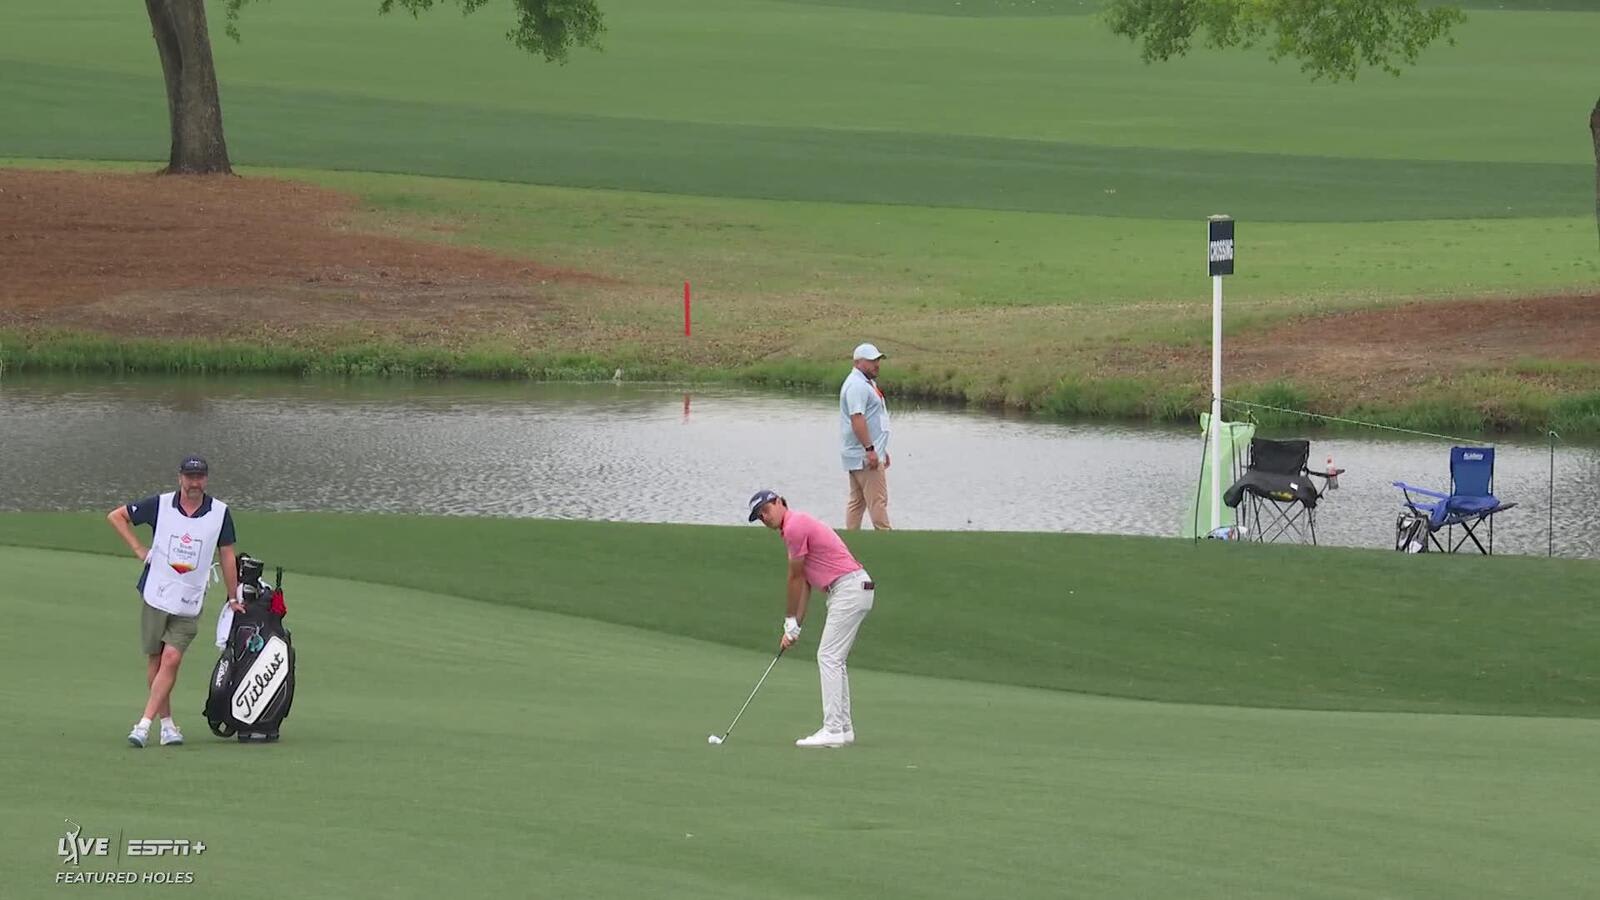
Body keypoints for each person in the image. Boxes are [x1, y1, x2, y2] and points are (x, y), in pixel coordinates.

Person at [106, 455, 242, 748]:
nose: (195, 483)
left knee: (172, 658)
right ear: (180, 477)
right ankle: (167, 725)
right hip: (157, 593)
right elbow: (117, 516)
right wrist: (139, 549)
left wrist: (233, 596)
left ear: (206, 479)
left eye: (200, 477)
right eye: (190, 477)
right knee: (156, 659)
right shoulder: (160, 504)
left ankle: (143, 725)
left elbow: (227, 554)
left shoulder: (219, 513)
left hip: (190, 599)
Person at [748, 489, 876, 749]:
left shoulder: (795, 525)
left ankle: (832, 730)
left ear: (780, 502)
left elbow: (794, 578)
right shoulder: (792, 531)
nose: (764, 517)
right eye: (759, 516)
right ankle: (843, 728)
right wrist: (795, 627)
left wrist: (788, 620)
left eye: (766, 510)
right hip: (854, 589)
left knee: (828, 657)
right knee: (834, 659)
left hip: (849, 589)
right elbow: (805, 582)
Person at [840, 342, 892, 530]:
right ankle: (886, 538)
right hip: (863, 455)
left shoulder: (866, 383)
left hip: (863, 452)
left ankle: (850, 540)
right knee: (878, 500)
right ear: (858, 362)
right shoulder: (857, 386)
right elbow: (857, 418)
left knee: (858, 501)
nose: (876, 364)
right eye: (871, 361)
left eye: (877, 360)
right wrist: (870, 450)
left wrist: (881, 449)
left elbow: (872, 419)